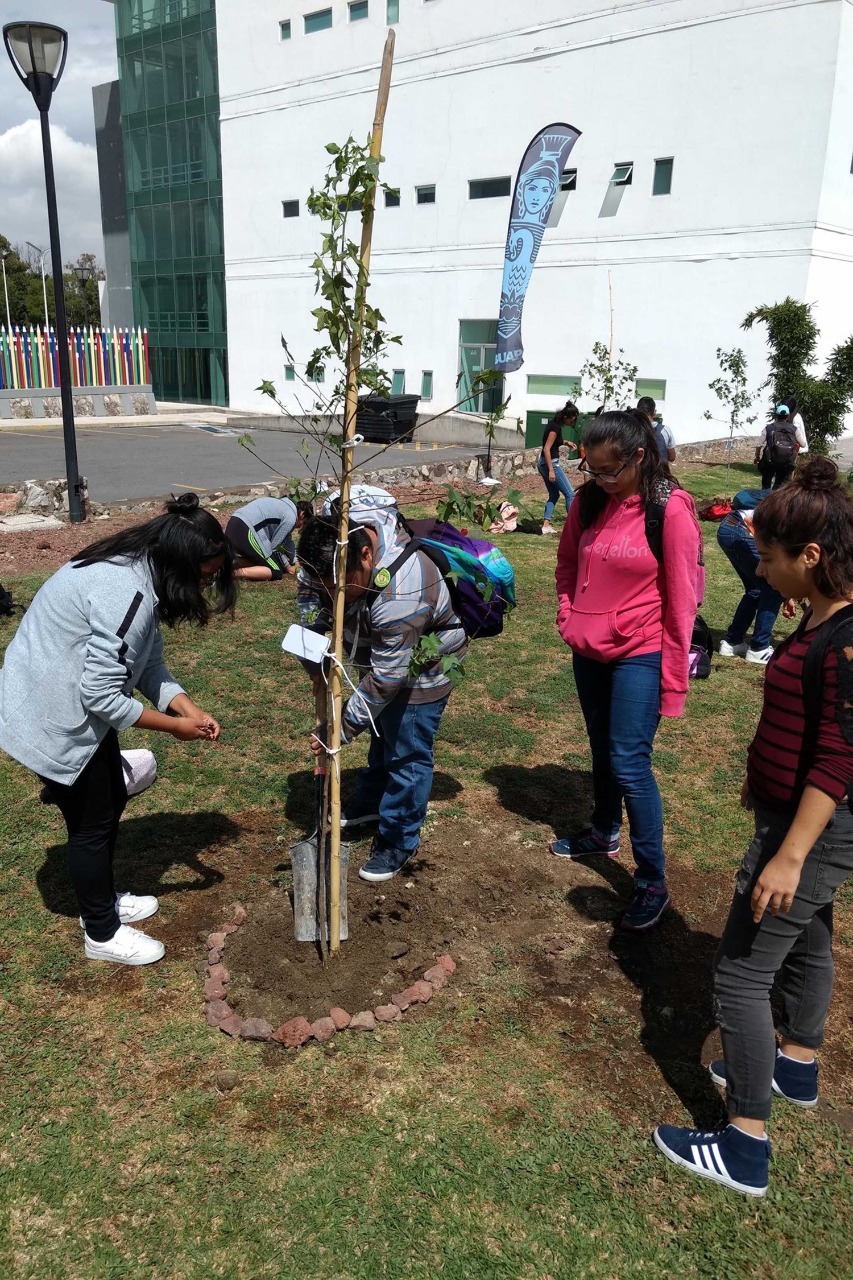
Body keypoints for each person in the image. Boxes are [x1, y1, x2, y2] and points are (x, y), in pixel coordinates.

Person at [654, 458, 853, 1197]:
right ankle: (795, 1063)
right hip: (801, 825)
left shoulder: (843, 641)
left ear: (810, 556)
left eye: (767, 558)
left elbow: (837, 757)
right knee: (809, 935)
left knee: (739, 972)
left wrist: (789, 853)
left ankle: (743, 1142)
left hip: (812, 833)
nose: (759, 571)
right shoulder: (822, 616)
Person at [0, 494, 235, 967]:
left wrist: (187, 706)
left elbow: (149, 662)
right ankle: (102, 934)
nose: (206, 585)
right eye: (206, 576)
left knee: (109, 799)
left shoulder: (140, 569)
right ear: (181, 563)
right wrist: (174, 728)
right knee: (92, 823)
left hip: (69, 705)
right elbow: (101, 697)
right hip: (53, 716)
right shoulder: (125, 591)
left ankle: (101, 901)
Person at [553, 409, 702, 930]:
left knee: (629, 762)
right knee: (601, 747)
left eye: (608, 471)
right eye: (590, 469)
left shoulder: (671, 510)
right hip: (587, 649)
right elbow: (567, 562)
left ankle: (652, 880)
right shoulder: (591, 501)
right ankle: (602, 831)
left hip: (640, 651)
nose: (598, 480)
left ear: (639, 456)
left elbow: (683, 601)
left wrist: (674, 682)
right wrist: (568, 613)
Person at [298, 511, 466, 884]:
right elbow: (308, 593)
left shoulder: (402, 593)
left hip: (424, 667)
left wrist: (337, 728)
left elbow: (387, 681)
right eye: (325, 585)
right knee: (382, 731)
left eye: (341, 587)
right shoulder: (333, 546)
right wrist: (314, 640)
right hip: (381, 656)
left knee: (406, 748)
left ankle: (399, 838)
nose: (332, 595)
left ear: (366, 556)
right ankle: (373, 803)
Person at [716, 488, 784, 665]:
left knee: (755, 589)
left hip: (728, 526)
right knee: (772, 590)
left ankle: (732, 642)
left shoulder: (789, 498)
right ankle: (759, 648)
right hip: (742, 531)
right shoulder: (800, 510)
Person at [225, 495, 312, 581]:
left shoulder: (286, 506)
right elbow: (275, 548)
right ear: (302, 514)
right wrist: (288, 567)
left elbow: (287, 540)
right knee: (276, 571)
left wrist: (296, 562)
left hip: (234, 523)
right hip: (246, 530)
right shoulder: (291, 518)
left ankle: (229, 564)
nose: (298, 527)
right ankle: (232, 573)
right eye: (303, 523)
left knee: (261, 562)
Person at [538, 400, 579, 535]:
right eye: (572, 420)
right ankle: (572, 528)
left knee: (554, 494)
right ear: (566, 417)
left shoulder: (554, 424)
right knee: (570, 494)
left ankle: (545, 526)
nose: (573, 423)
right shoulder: (555, 428)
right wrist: (551, 469)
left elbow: (555, 441)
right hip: (551, 464)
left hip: (542, 463)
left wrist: (566, 442)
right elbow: (547, 448)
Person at [754, 405, 804, 489]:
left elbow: (759, 445)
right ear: (788, 416)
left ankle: (765, 497)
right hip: (787, 462)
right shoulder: (794, 429)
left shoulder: (769, 428)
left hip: (770, 461)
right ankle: (777, 498)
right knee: (780, 485)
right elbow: (803, 444)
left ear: (776, 415)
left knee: (766, 483)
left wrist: (757, 457)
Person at [637, 396, 676, 463]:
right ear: (654, 412)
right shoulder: (665, 430)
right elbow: (672, 457)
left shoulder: (632, 430)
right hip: (660, 472)